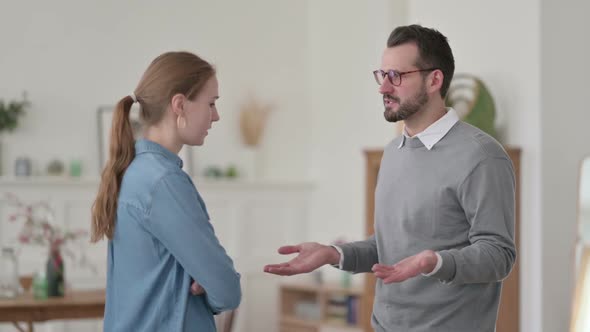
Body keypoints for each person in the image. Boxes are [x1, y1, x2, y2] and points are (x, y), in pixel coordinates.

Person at [264, 25, 516, 332]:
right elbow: (388, 247)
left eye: (396, 76)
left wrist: (435, 261)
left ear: (434, 79)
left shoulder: (481, 156)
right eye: (381, 75)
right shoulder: (394, 152)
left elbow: (498, 255)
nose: (384, 87)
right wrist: (334, 254)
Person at [91, 51, 241, 332]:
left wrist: (205, 281)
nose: (216, 116)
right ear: (180, 104)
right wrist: (210, 285)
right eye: (211, 103)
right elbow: (227, 288)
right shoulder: (163, 182)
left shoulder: (132, 172)